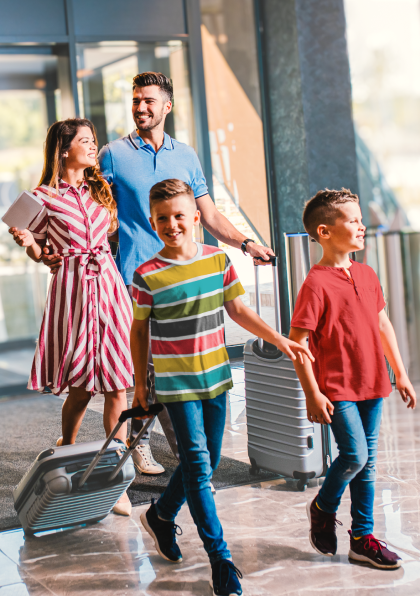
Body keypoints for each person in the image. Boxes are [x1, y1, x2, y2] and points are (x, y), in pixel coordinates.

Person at [42, 71, 275, 477]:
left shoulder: (186, 156)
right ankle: (141, 444)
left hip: (185, 277)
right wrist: (52, 244)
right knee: (144, 367)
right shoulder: (112, 153)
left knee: (181, 364)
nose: (140, 107)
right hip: (132, 277)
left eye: (148, 100)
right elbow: (91, 205)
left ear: (167, 106)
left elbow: (211, 214)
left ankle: (184, 447)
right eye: (135, 100)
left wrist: (245, 244)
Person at [130, 179, 314, 595]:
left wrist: (281, 338)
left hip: (216, 377)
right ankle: (221, 559)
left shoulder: (217, 262)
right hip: (176, 384)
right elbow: (138, 331)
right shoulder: (146, 275)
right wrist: (141, 384)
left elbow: (238, 310)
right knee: (198, 465)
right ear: (152, 222)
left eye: (179, 216)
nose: (171, 224)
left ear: (196, 218)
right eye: (163, 219)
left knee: (208, 461)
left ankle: (161, 515)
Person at [9, 118, 133, 516]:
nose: (93, 147)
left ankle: (116, 471)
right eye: (85, 141)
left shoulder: (101, 190)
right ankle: (67, 447)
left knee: (118, 383)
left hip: (109, 287)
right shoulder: (42, 198)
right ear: (64, 150)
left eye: (93, 140)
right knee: (81, 385)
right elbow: (40, 251)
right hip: (74, 290)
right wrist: (29, 242)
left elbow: (110, 234)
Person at [289, 188, 417, 569]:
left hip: (374, 382)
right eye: (354, 220)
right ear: (325, 232)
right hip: (338, 388)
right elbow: (298, 342)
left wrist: (401, 373)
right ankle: (323, 506)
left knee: (368, 463)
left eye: (361, 219)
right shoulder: (316, 284)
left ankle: (362, 539)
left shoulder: (366, 272)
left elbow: (382, 324)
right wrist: (312, 393)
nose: (362, 226)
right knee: (355, 456)